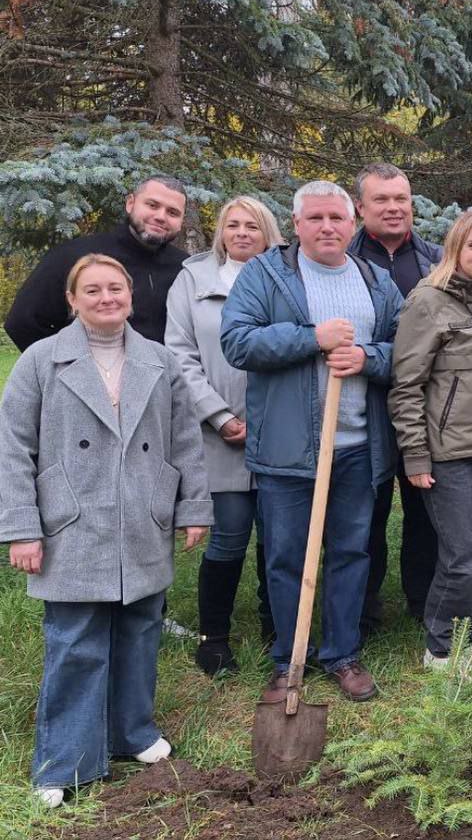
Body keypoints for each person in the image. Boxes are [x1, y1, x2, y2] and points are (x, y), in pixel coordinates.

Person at [0, 254, 212, 809]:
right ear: (72, 300)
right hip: (70, 520)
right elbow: (13, 451)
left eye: (115, 288)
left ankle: (133, 732)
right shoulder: (42, 362)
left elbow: (186, 439)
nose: (106, 297)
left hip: (143, 516)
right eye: (91, 290)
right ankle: (64, 760)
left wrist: (193, 508)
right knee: (75, 641)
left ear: (130, 297)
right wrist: (23, 529)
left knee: (141, 629)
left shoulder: (160, 362)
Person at [221, 181, 402, 703]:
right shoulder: (266, 275)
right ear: (297, 225)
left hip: (356, 448)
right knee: (285, 556)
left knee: (350, 552)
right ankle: (288, 658)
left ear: (353, 225)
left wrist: (368, 358)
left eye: (337, 219)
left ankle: (342, 654)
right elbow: (237, 341)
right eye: (316, 218)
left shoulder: (376, 279)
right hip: (287, 451)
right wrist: (311, 338)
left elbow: (402, 348)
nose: (328, 227)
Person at [389, 210, 472, 670]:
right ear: (454, 250)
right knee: (463, 552)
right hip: (448, 453)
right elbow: (406, 384)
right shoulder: (428, 302)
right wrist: (415, 454)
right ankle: (440, 645)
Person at [165, 196, 284, 676]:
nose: (241, 233)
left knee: (281, 541)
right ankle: (215, 639)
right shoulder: (193, 279)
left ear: (267, 231)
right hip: (220, 434)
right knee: (229, 537)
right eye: (232, 225)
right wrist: (218, 415)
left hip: (280, 431)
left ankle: (280, 631)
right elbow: (179, 353)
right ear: (220, 232)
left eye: (252, 226)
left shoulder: (287, 276)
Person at [348, 163, 443, 636]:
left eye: (401, 199)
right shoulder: (342, 262)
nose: (393, 208)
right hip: (363, 405)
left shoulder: (436, 262)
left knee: (426, 507)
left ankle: (424, 598)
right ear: (361, 208)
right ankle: (363, 609)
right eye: (381, 200)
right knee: (366, 509)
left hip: (427, 408)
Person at [5, 176, 189, 350]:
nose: (161, 216)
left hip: (165, 380)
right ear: (130, 203)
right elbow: (22, 323)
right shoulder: (75, 256)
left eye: (172, 212)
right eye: (152, 205)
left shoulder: (184, 268)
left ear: (181, 221)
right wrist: (68, 369)